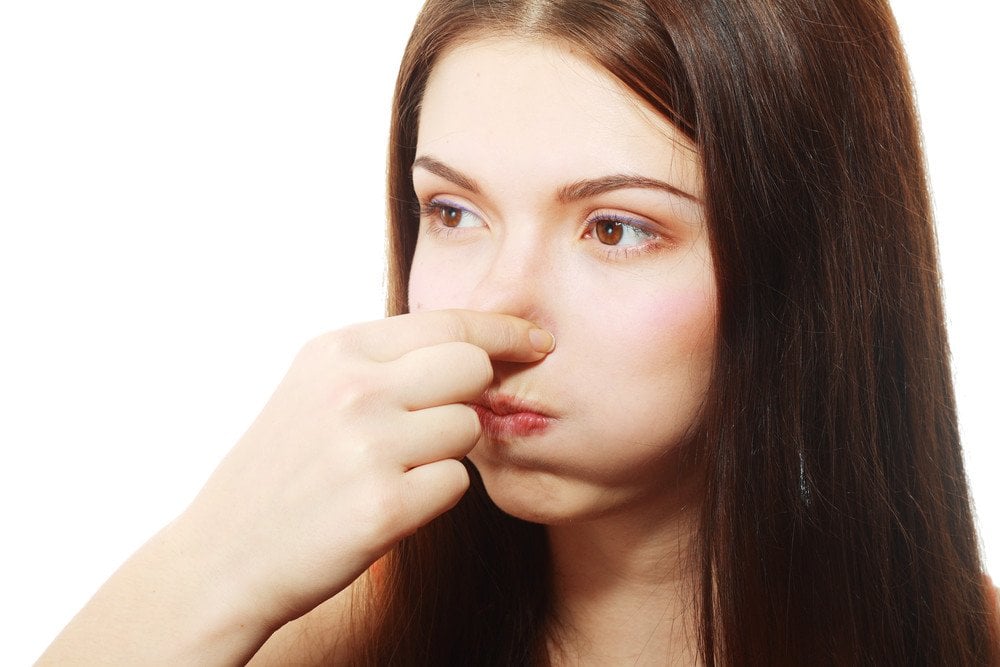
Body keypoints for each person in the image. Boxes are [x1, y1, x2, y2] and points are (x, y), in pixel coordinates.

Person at [39, 0, 1000, 664]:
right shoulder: (303, 630)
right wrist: (208, 566)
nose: (500, 313)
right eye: (454, 213)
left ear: (810, 265)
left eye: (615, 229)